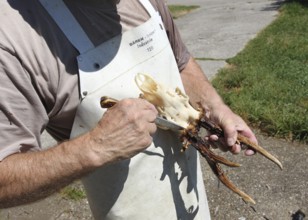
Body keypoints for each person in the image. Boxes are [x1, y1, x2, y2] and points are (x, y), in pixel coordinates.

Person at [0, 0, 257, 219]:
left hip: (189, 204)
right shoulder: (13, 39)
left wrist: (215, 107)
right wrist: (94, 148)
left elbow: (180, 61)